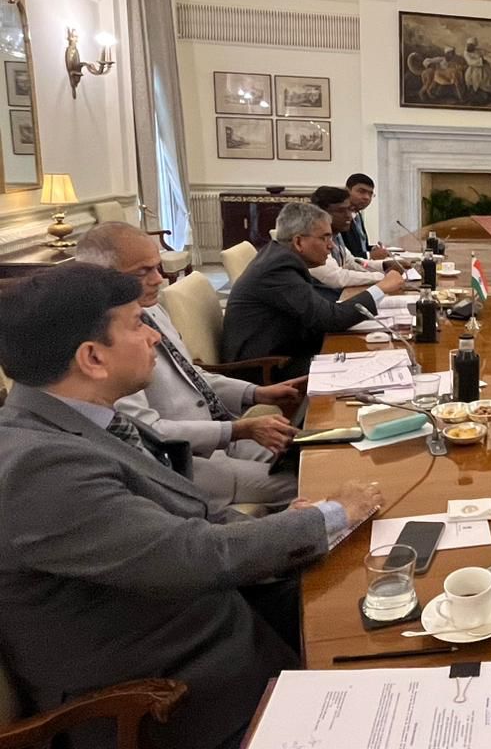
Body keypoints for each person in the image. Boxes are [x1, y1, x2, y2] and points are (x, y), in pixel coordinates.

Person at [0, 263, 382, 749]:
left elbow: (191, 511)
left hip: (229, 622)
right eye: (137, 325)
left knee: (394, 593)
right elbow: (191, 554)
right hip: (175, 697)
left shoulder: (81, 419)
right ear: (93, 357)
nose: (154, 337)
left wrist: (293, 523)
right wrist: (332, 515)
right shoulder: (38, 468)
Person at [76, 223, 303, 512]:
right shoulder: (103, 344)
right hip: (187, 464)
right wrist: (235, 430)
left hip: (220, 436)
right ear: (100, 277)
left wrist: (255, 393)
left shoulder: (151, 310)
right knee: (308, 483)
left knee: (310, 455)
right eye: (143, 272)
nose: (159, 279)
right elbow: (148, 433)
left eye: (157, 267)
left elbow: (192, 375)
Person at [222, 202, 404, 378]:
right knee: (378, 364)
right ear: (299, 242)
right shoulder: (278, 269)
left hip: (290, 349)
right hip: (268, 368)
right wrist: (381, 288)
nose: (331, 245)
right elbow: (330, 319)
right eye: (324, 238)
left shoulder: (281, 258)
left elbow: (321, 310)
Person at [310, 186, 406, 290]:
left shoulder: (336, 236)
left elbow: (352, 263)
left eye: (350, 210)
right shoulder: (312, 239)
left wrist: (384, 265)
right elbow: (337, 277)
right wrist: (383, 277)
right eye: (341, 211)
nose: (349, 216)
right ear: (322, 213)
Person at [342, 172, 389, 260]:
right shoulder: (340, 217)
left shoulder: (357, 215)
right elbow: (344, 256)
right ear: (347, 191)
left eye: (370, 194)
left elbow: (360, 248)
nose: (367, 197)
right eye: (361, 191)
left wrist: (373, 249)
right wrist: (370, 255)